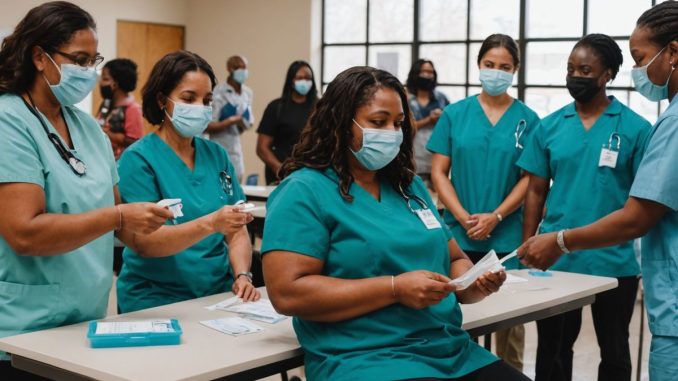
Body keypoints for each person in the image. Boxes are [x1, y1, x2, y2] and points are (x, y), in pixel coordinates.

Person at [261, 66, 528, 381]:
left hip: (448, 351)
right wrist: (394, 288)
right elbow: (287, 293)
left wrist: (470, 283)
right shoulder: (305, 190)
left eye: (398, 123)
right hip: (364, 359)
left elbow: (454, 258)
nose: (391, 132)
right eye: (378, 122)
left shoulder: (409, 187)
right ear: (341, 123)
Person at [0, 2, 171, 379]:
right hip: (22, 330)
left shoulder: (88, 128)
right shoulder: (7, 120)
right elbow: (24, 233)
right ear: (39, 57)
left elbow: (118, 220)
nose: (88, 72)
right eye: (78, 59)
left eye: (93, 60)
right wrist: (120, 216)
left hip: (86, 323)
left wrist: (181, 222)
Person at [517, 3, 678, 381]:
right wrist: (535, 245)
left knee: (615, 352)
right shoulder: (551, 126)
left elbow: (641, 211)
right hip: (560, 263)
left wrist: (557, 240)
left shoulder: (643, 128)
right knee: (554, 353)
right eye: (570, 69)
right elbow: (535, 190)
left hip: (612, 259)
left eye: (641, 58)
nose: (575, 76)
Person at [116, 50, 260, 313]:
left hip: (216, 297)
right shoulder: (139, 160)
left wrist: (242, 275)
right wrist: (210, 223)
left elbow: (236, 228)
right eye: (188, 98)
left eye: (206, 100)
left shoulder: (216, 155)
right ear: (162, 100)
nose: (199, 108)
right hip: (156, 300)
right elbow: (146, 243)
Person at [427, 33, 540, 371]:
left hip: (505, 236)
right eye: (489, 65)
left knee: (510, 326)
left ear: (515, 70)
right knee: (457, 316)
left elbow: (530, 179)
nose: (496, 72)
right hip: (458, 236)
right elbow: (439, 172)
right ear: (478, 65)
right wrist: (463, 218)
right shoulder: (455, 114)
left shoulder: (527, 119)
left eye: (504, 67)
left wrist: (497, 216)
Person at [256, 60, 318, 184]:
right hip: (279, 175)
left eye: (308, 78)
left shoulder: (320, 107)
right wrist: (281, 169)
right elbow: (262, 148)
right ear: (291, 80)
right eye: (300, 78)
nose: (304, 81)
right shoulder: (276, 107)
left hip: (312, 175)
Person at [206, 55, 254, 182]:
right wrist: (231, 120)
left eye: (244, 68)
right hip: (218, 147)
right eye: (238, 67)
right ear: (229, 69)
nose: (242, 71)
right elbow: (207, 126)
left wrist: (241, 122)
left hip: (236, 149)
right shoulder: (218, 92)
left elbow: (248, 124)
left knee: (237, 185)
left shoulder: (247, 93)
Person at [406, 59, 450, 187]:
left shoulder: (441, 98)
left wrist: (441, 118)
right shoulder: (407, 99)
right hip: (415, 158)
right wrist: (428, 120)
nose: (427, 75)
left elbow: (451, 124)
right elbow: (406, 127)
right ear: (415, 74)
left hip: (438, 156)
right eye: (423, 72)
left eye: (430, 72)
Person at [96, 58, 144, 160]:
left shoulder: (132, 109)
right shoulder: (106, 104)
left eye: (105, 79)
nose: (100, 83)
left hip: (121, 167)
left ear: (115, 84)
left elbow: (136, 142)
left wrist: (108, 134)